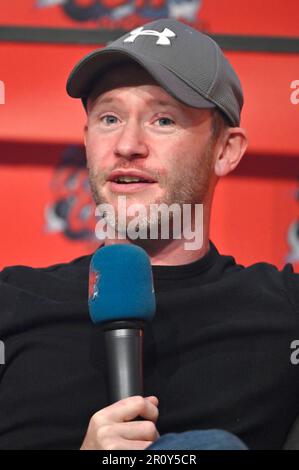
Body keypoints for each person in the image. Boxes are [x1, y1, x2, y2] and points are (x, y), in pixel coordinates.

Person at [0, 18, 299, 451]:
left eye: (162, 119)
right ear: (86, 140)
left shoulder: (285, 314)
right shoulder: (11, 303)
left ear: (225, 150)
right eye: (109, 117)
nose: (127, 144)